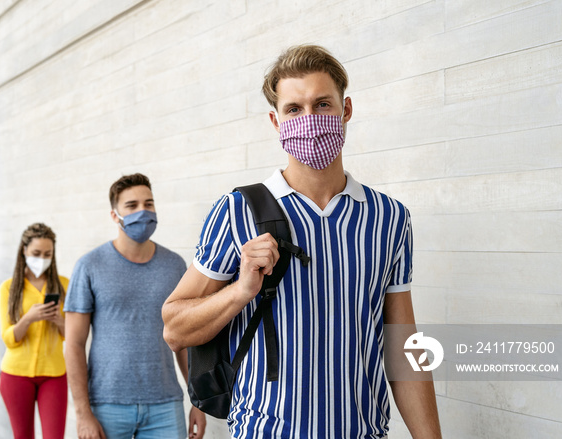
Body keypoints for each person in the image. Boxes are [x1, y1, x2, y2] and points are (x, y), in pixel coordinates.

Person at [162, 45, 443, 438]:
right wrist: (240, 291)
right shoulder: (236, 209)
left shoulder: (390, 218)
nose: (309, 120)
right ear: (276, 122)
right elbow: (175, 328)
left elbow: (403, 347)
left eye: (322, 104)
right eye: (294, 109)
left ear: (345, 110)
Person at [65, 173, 206, 439]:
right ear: (114, 215)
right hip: (106, 405)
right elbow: (73, 343)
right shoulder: (89, 266)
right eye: (132, 205)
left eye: (148, 204)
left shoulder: (175, 265)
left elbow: (185, 341)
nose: (143, 211)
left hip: (165, 404)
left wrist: (198, 401)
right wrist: (82, 413)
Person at [0, 223, 69, 438]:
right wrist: (28, 319)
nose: (42, 258)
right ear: (24, 250)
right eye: (36, 253)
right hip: (15, 375)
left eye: (47, 254)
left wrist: (59, 320)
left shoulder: (65, 285)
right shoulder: (9, 287)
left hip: (54, 374)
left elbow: (72, 336)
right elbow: (9, 339)